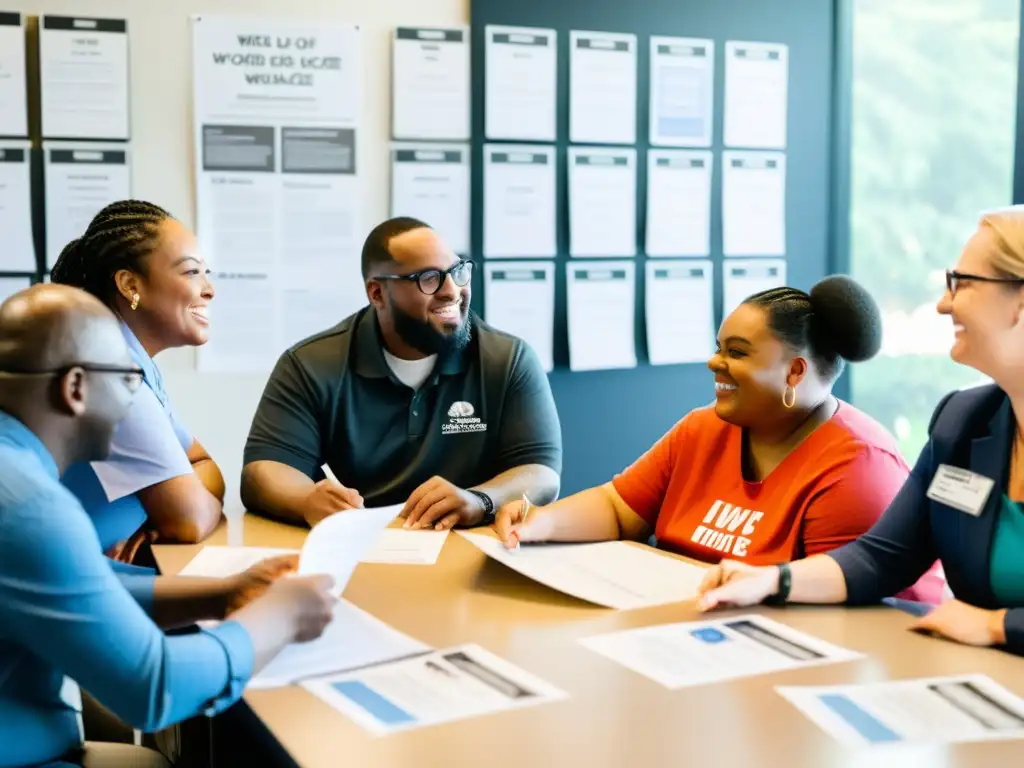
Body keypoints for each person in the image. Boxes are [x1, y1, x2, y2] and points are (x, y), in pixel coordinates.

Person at [0, 284, 336, 768]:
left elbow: (71, 583)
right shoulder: (30, 506)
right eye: (128, 382)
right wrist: (280, 617)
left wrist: (222, 595)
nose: (135, 405)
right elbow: (155, 689)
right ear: (74, 389)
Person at [696, 207, 1024, 656]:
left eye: (962, 282)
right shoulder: (964, 421)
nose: (944, 303)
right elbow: (882, 557)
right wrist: (773, 579)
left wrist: (998, 627)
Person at [493, 275, 943, 603]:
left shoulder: (858, 466)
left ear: (795, 371)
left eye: (736, 353)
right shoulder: (702, 428)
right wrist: (540, 524)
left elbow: (847, 603)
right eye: (718, 347)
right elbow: (617, 509)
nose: (714, 362)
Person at [241, 217, 562, 529]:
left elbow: (541, 473)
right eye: (428, 278)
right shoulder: (310, 364)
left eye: (457, 271)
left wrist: (480, 501)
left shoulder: (508, 360)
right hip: (363, 550)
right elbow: (264, 469)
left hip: (474, 549)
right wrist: (307, 499)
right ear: (377, 294)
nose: (452, 290)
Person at [50, 200, 223, 560]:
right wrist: (172, 510)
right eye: (192, 272)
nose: (209, 290)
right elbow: (189, 521)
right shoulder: (107, 372)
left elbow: (204, 464)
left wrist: (164, 512)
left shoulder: (128, 358)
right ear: (130, 285)